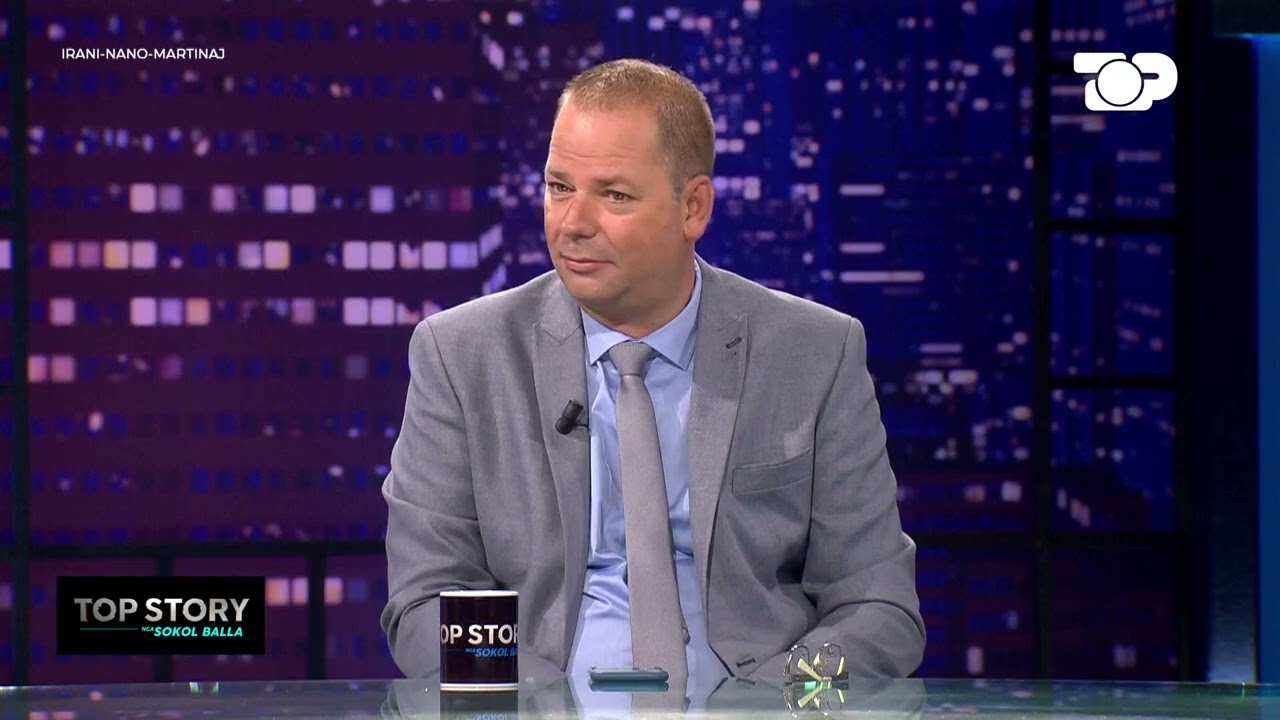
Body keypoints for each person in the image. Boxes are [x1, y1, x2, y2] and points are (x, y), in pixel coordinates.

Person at [380, 58, 925, 689]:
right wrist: (533, 704)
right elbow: (425, 603)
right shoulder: (461, 355)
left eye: (614, 195)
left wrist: (777, 703)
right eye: (560, 187)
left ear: (693, 207)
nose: (573, 223)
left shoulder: (814, 353)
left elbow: (877, 606)